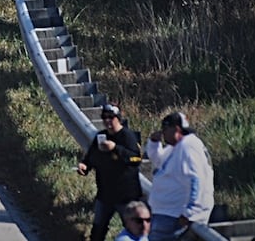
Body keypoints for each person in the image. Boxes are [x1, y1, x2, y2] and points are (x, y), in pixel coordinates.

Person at [78, 103, 144, 241]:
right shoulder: (100, 136)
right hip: (105, 194)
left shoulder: (127, 136)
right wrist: (85, 166)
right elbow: (90, 157)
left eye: (111, 117)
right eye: (104, 117)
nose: (107, 121)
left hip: (126, 195)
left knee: (133, 229)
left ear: (118, 118)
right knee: (98, 230)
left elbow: (136, 158)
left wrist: (115, 148)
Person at [145, 112, 215, 240]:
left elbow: (196, 180)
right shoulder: (176, 147)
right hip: (166, 214)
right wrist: (154, 144)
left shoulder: (188, 146)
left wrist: (190, 212)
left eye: (165, 129)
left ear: (176, 129)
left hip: (174, 216)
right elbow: (160, 162)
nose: (162, 133)